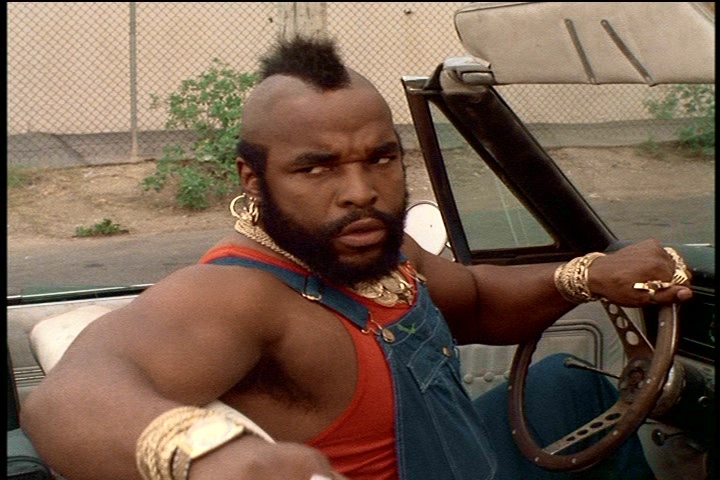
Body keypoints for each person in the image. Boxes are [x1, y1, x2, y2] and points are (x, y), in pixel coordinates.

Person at [21, 35, 693, 480]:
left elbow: (476, 302)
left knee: (569, 387)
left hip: (458, 460)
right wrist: (214, 457)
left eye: (380, 158)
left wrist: (587, 274)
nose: (361, 191)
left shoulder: (379, 248)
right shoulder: (236, 293)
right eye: (316, 168)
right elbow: (67, 400)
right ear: (253, 179)